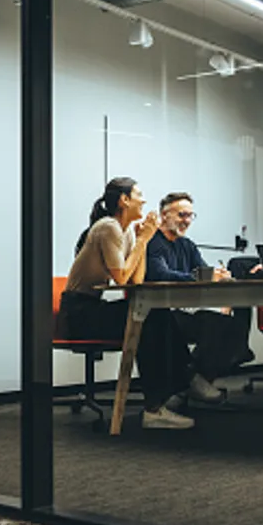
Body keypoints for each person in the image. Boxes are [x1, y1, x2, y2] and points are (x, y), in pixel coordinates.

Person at [60, 177, 196, 430]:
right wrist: (143, 240)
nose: (144, 200)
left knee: (154, 314)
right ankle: (159, 404)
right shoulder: (108, 227)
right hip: (79, 314)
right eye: (139, 194)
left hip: (92, 308)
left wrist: (141, 240)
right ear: (124, 200)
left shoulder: (126, 231)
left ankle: (174, 390)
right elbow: (121, 278)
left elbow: (137, 280)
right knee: (149, 317)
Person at [146, 192, 254, 402]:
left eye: (190, 216)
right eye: (181, 215)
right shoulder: (153, 243)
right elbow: (160, 275)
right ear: (164, 215)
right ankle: (192, 379)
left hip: (188, 309)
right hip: (162, 314)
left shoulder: (187, 245)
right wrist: (200, 277)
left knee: (233, 327)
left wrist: (220, 277)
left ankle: (195, 377)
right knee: (216, 327)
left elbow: (204, 272)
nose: (186, 220)